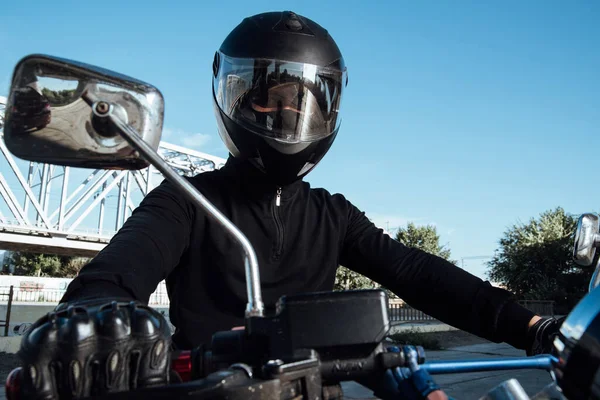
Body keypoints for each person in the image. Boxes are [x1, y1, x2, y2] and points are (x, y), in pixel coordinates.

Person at [17, 10, 562, 399]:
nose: (283, 118)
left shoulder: (333, 214)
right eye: (266, 100)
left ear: (328, 109)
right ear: (233, 98)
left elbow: (416, 272)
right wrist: (92, 323)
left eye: (300, 103)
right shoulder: (187, 199)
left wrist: (536, 328)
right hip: (206, 389)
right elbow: (115, 272)